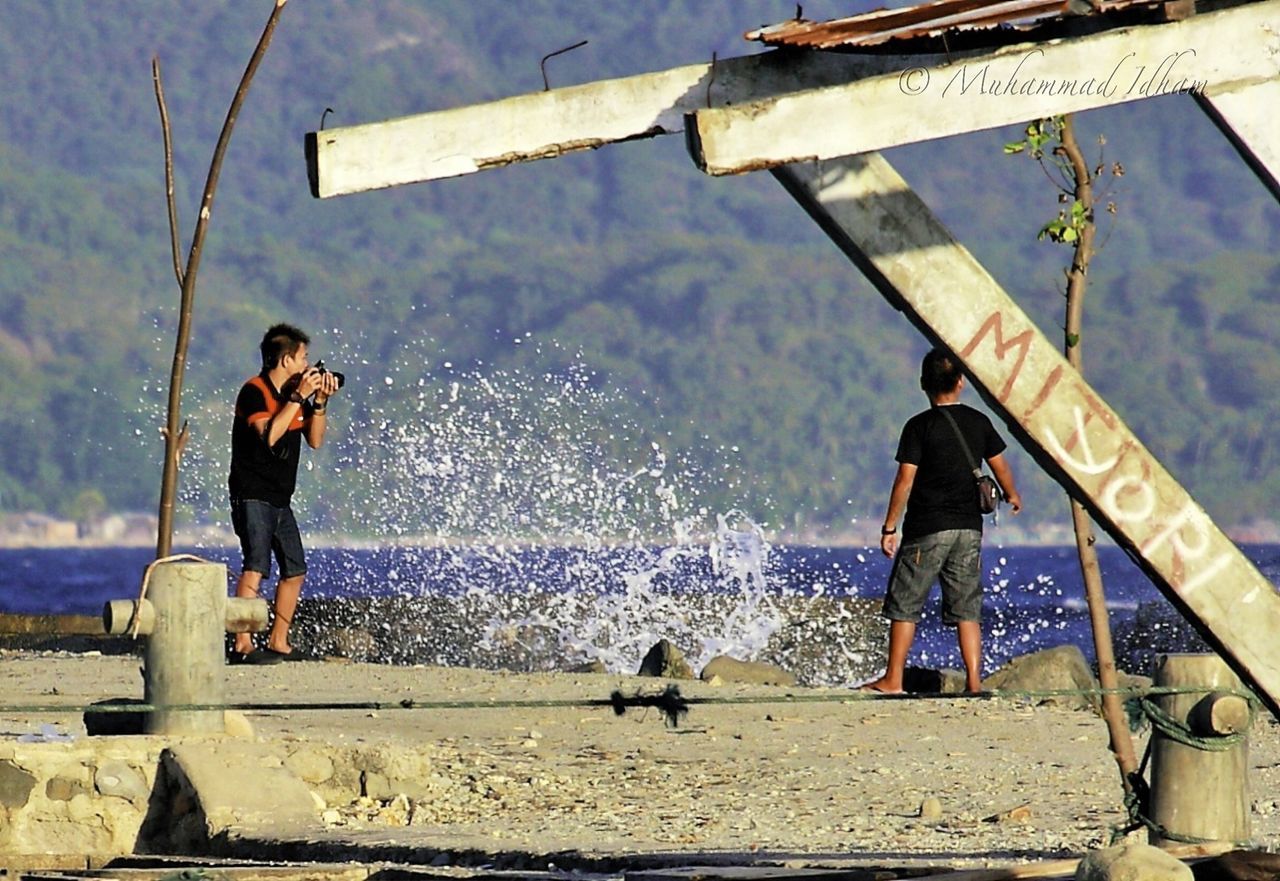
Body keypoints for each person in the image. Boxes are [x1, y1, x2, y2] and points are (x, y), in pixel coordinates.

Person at [862, 348, 1022, 695]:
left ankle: (893, 680)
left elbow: (905, 479)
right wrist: (1012, 494)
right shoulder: (979, 422)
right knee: (967, 606)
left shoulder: (919, 426)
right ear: (961, 383)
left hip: (927, 528)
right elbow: (1000, 464)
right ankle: (975, 683)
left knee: (906, 604)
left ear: (924, 384)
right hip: (968, 528)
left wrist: (890, 527)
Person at [228, 323, 340, 664]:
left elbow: (316, 440)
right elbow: (269, 436)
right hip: (251, 494)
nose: (308, 365)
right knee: (256, 566)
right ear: (286, 359)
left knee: (295, 569)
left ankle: (279, 641)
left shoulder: (297, 395)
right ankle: (242, 644)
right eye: (304, 357)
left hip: (280, 497)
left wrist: (318, 401)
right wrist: (297, 397)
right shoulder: (254, 391)